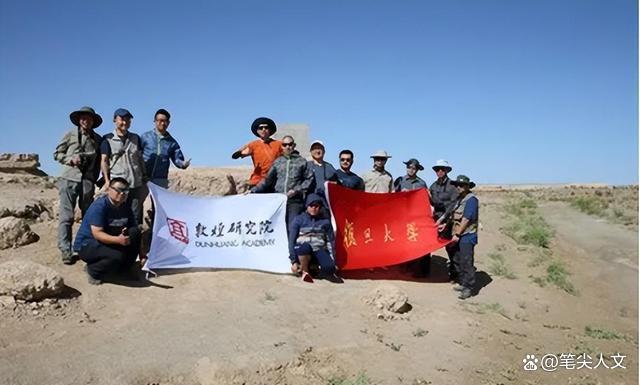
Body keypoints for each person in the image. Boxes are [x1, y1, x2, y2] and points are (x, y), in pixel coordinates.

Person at [53, 106, 103, 265]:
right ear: (78, 120)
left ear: (93, 121)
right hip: (69, 178)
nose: (85, 120)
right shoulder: (70, 134)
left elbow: (100, 162)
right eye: (82, 117)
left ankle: (85, 246)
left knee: (88, 216)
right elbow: (57, 154)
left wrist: (97, 179)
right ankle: (65, 249)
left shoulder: (98, 139)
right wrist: (70, 160)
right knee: (67, 216)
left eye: (88, 118)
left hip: (87, 181)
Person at [73, 177, 141, 285]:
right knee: (116, 256)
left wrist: (141, 254)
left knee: (135, 232)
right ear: (109, 189)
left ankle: (124, 269)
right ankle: (93, 270)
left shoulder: (125, 207)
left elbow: (132, 228)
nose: (122, 194)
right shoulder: (99, 206)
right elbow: (97, 233)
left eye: (125, 191)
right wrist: (118, 240)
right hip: (88, 244)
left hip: (110, 240)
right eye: (118, 190)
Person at [251, 135, 313, 229]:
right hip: (279, 200)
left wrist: (297, 190)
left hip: (294, 201)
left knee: (292, 227)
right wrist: (253, 190)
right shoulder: (277, 162)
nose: (287, 147)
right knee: (278, 227)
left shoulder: (302, 161)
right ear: (282, 146)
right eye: (285, 145)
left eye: (290, 144)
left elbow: (309, 179)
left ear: (294, 145)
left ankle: (291, 244)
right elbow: (267, 180)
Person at [100, 108, 146, 225]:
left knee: (136, 216)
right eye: (122, 119)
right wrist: (106, 181)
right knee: (118, 216)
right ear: (115, 120)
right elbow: (104, 160)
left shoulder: (136, 138)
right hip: (118, 186)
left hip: (135, 184)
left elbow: (140, 159)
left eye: (128, 119)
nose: (125, 122)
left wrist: (144, 176)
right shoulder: (107, 139)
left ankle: (135, 242)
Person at [438, 175, 479, 300]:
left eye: (462, 185)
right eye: (457, 185)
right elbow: (453, 216)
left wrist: (457, 234)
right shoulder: (459, 199)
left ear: (467, 186)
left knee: (467, 261)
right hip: (458, 234)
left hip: (466, 235)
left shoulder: (471, 200)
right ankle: (463, 282)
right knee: (458, 260)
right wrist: (445, 225)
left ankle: (469, 287)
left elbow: (466, 219)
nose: (459, 187)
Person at [288, 194, 339, 283]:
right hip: (302, 250)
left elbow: (331, 242)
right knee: (305, 247)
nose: (314, 208)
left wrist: (333, 260)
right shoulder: (298, 220)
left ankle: (313, 267)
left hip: (318, 249)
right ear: (307, 206)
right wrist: (293, 261)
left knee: (330, 268)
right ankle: (305, 272)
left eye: (317, 206)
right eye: (311, 206)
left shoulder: (325, 222)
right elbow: (291, 241)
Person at [140, 108, 190, 189]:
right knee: (138, 201)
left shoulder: (172, 142)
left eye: (165, 121)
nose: (162, 123)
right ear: (155, 121)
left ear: (169, 123)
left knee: (158, 202)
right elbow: (137, 154)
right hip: (143, 178)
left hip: (161, 180)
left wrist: (183, 164)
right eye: (159, 120)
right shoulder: (145, 137)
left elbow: (177, 159)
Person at [429, 159, 459, 280]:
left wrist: (443, 220)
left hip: (449, 220)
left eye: (442, 169)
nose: (439, 171)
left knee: (451, 247)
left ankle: (455, 273)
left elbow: (453, 205)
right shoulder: (433, 186)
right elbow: (431, 203)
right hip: (436, 220)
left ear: (446, 170)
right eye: (437, 169)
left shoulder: (453, 186)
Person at [231, 117, 282, 187]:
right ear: (257, 131)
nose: (263, 130)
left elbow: (288, 153)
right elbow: (244, 151)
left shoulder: (279, 144)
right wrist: (239, 153)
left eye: (266, 127)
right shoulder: (253, 145)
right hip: (258, 181)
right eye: (260, 128)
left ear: (270, 129)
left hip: (275, 180)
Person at [307, 140, 338, 208]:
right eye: (315, 149)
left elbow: (337, 183)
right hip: (310, 204)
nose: (317, 151)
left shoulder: (329, 167)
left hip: (326, 204)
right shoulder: (306, 166)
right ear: (311, 152)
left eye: (319, 148)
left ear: (324, 151)